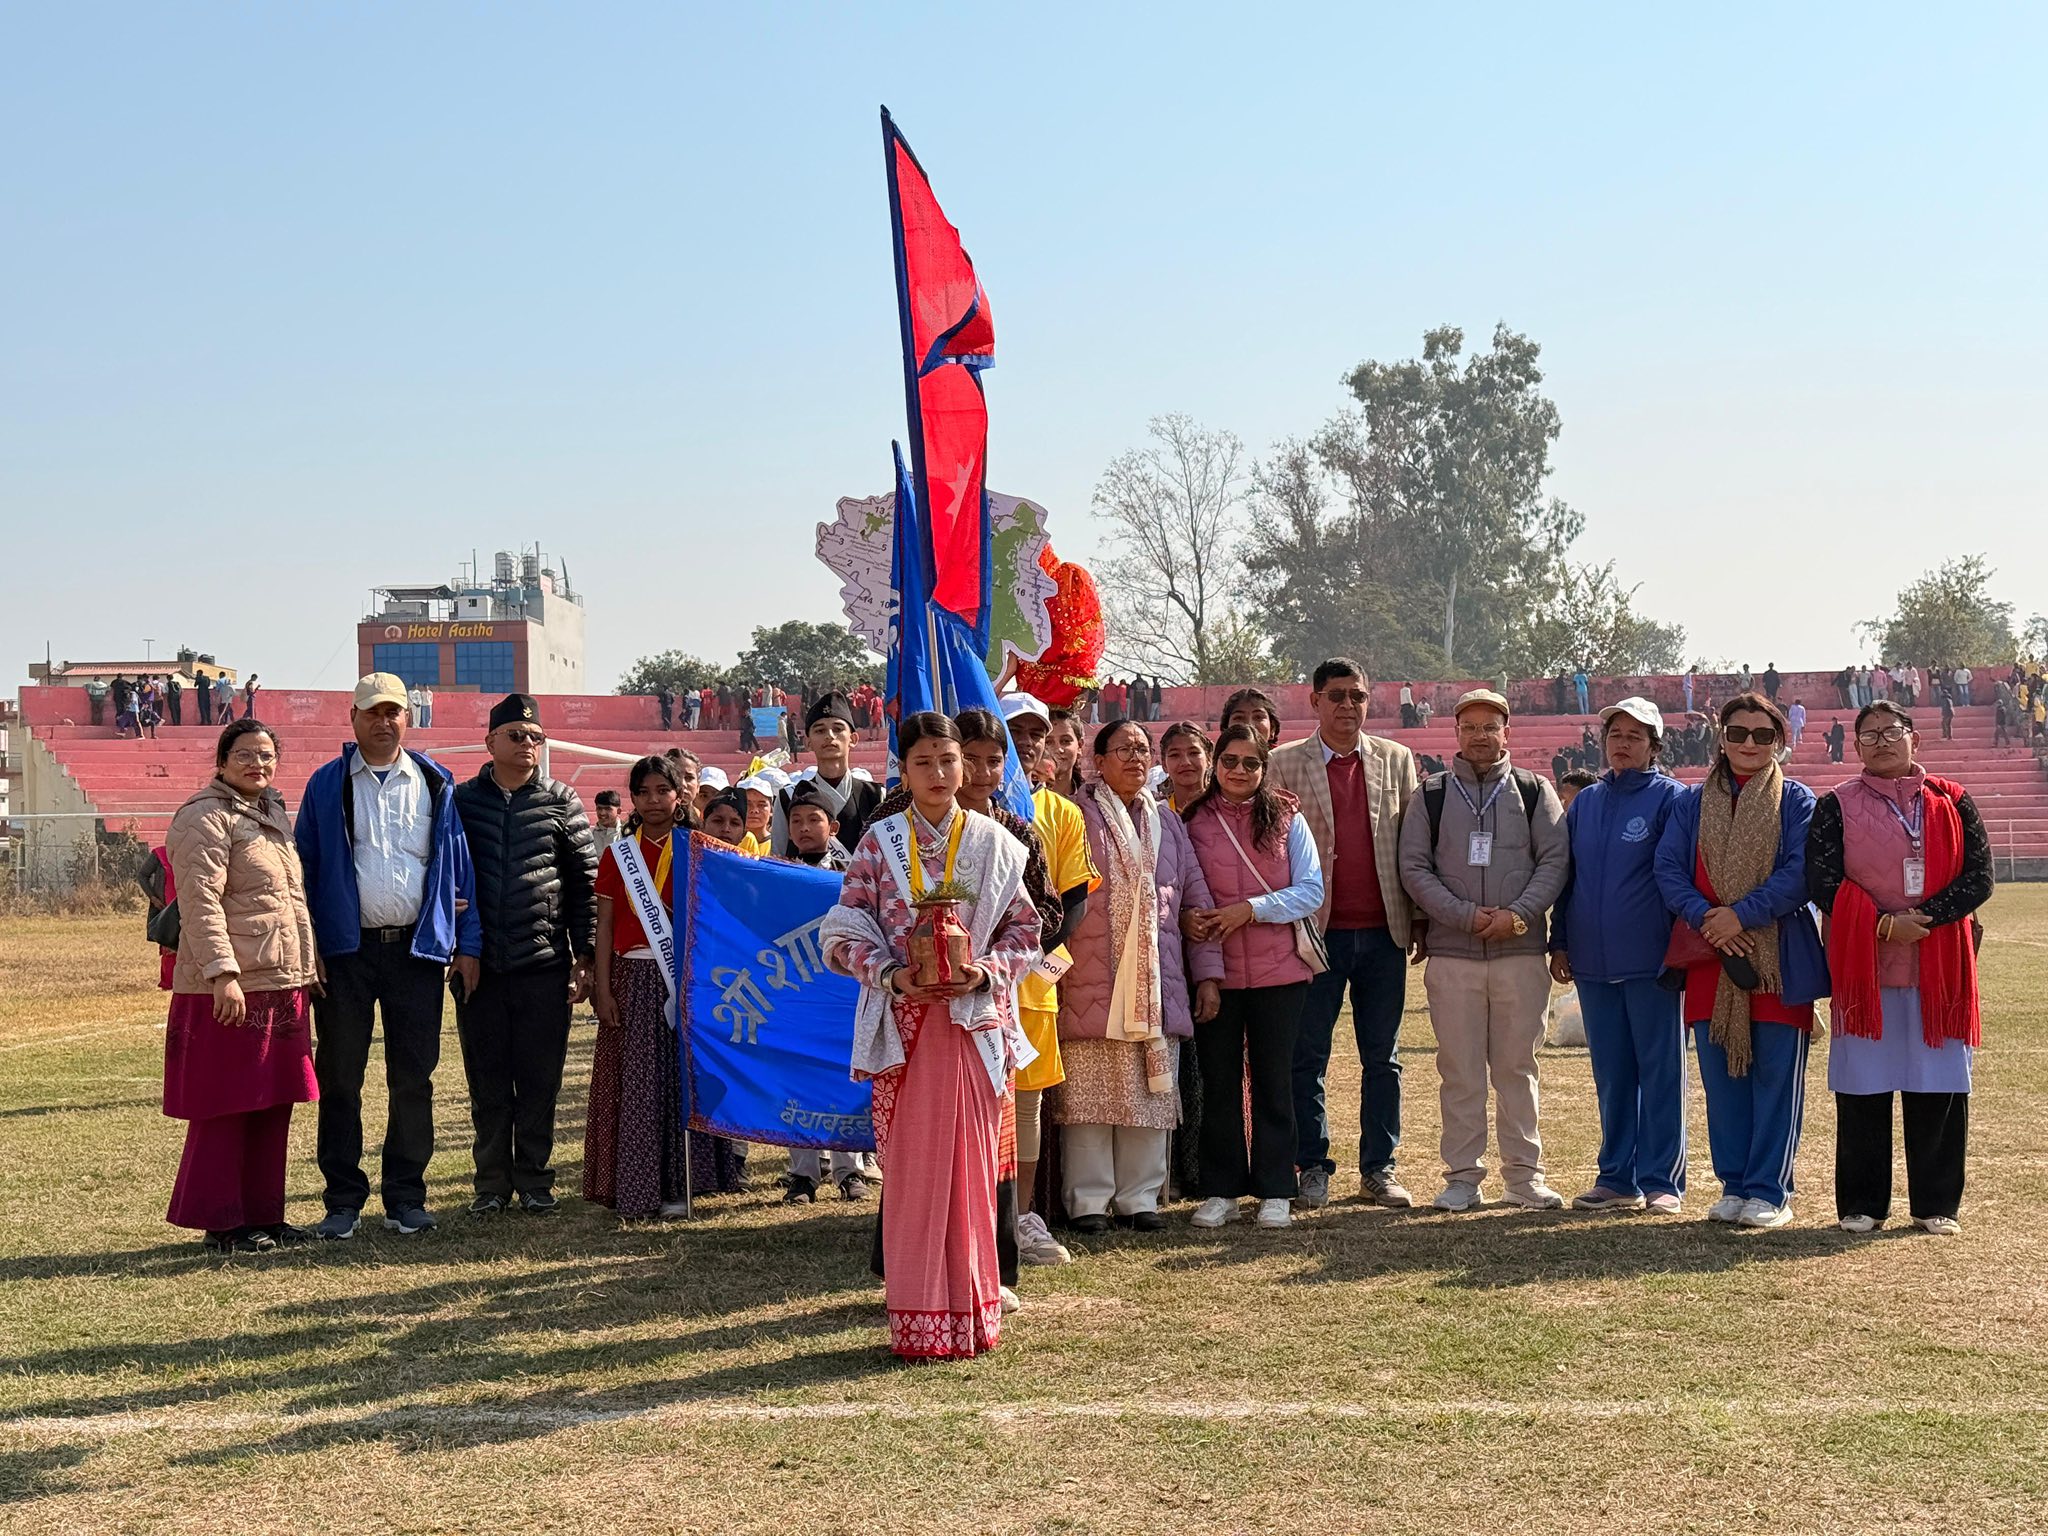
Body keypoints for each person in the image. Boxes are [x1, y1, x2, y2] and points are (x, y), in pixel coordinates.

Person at [821, 712, 1042, 1359]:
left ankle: (972, 1313)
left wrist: (984, 972)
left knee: (973, 1169)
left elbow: (1026, 931)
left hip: (973, 1025)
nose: (940, 773)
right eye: (924, 762)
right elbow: (841, 931)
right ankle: (918, 1318)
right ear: (904, 770)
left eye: (949, 760)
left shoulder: (995, 842)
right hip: (904, 1027)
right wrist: (891, 975)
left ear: (964, 764)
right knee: (913, 1172)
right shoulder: (878, 843)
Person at [294, 673, 480, 1240]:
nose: (383, 721)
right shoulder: (326, 784)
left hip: (415, 954)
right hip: (345, 955)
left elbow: (456, 866)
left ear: (408, 718)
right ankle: (342, 1201)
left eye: (393, 711)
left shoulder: (434, 780)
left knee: (413, 1078)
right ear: (352, 718)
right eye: (372, 712)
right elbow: (303, 870)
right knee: (340, 1077)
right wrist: (310, 947)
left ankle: (406, 1196)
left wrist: (466, 942)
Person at [1806, 701, 1991, 1236]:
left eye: (1892, 731)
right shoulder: (1835, 805)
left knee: (1938, 1084)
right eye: (1869, 735)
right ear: (1855, 747)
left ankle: (1936, 1203)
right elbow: (1822, 880)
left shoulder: (1953, 800)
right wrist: (1885, 925)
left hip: (1939, 967)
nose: (1882, 741)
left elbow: (1979, 876)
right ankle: (1863, 1204)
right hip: (1865, 968)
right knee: (1863, 1087)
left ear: (1915, 739)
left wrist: (1924, 920)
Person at [1655, 693, 1827, 1229]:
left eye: (1762, 734)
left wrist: (1742, 915)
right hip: (1711, 954)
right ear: (1721, 738)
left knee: (1775, 1077)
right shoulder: (1691, 802)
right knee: (1722, 1079)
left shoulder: (1796, 800)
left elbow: (1800, 872)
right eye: (1737, 732)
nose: (1749, 743)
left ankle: (1770, 1190)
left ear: (1779, 741)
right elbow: (1667, 868)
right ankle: (1733, 1185)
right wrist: (1708, 917)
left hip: (1775, 956)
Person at [1398, 689, 1570, 1213]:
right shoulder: (1431, 794)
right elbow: (1414, 868)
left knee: (1518, 1070)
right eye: (1469, 726)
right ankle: (1462, 1178)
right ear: (1455, 732)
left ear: (1506, 732)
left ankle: (1524, 1177)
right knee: (1460, 1072)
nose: (1479, 735)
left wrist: (1517, 915)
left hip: (1519, 951)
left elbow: (1555, 862)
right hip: (1454, 953)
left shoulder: (1534, 791)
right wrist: (1464, 916)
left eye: (1489, 726)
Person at [1054, 719, 1222, 1233]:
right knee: (1089, 1095)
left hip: (1155, 980)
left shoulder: (1166, 822)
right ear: (1097, 761)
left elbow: (1195, 899)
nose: (1134, 757)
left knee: (1149, 1093)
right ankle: (1087, 1201)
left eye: (1142, 749)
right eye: (1123, 749)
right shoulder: (1074, 815)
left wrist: (1208, 975)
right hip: (1089, 978)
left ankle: (1140, 1198)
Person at [1266, 658, 1422, 1210]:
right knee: (1307, 1057)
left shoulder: (1397, 760)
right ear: (1314, 701)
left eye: (1357, 695)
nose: (1347, 705)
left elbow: (1413, 846)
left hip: (1384, 931)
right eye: (1336, 695)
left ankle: (1379, 1168)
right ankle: (1313, 1164)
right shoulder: (1284, 764)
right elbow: (1271, 850)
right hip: (1315, 934)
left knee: (1383, 1058)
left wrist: (1419, 921)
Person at [162, 719, 320, 1252]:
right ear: (223, 761)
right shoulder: (204, 816)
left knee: (273, 1103)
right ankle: (223, 1222)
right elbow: (199, 903)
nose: (258, 764)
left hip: (280, 979)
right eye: (246, 754)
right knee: (228, 1103)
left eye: (267, 755)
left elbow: (288, 902)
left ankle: (265, 1216)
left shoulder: (271, 813)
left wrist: (309, 966)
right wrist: (222, 973)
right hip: (230, 985)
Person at [451, 694, 598, 1217]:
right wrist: (457, 947)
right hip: (479, 967)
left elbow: (584, 885)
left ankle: (535, 1179)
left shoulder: (562, 801)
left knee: (540, 1080)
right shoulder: (462, 801)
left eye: (536, 737)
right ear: (490, 742)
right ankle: (491, 1184)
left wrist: (585, 956)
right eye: (516, 735)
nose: (528, 744)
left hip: (543, 965)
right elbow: (447, 879)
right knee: (487, 1081)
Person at [1549, 696, 1689, 1213]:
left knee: (1660, 1071)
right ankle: (1616, 1178)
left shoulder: (1673, 799)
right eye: (1615, 735)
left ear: (1655, 746)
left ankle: (1661, 1180)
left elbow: (1680, 877)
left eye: (1635, 736)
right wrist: (1560, 940)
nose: (1623, 744)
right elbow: (1568, 878)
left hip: (1652, 961)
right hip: (1592, 960)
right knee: (1611, 1073)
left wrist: (1677, 950)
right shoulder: (1586, 802)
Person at [1181, 724, 1324, 1229]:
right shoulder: (1191, 820)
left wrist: (1252, 909)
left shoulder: (1287, 818)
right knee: (1218, 1081)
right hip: (1214, 973)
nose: (1239, 771)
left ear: (1265, 768)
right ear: (1215, 763)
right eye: (1230, 761)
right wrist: (1187, 919)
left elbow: (1311, 890)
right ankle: (1221, 1190)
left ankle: (1276, 1188)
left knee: (1274, 1081)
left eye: (1250, 763)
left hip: (1279, 972)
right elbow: (1179, 890)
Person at [588, 756, 738, 1216]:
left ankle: (689, 1182)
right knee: (637, 1084)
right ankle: (638, 1185)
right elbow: (606, 925)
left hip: (688, 978)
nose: (653, 801)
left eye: (662, 791)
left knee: (684, 1079)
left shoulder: (700, 848)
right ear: (633, 799)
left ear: (680, 795)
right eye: (643, 792)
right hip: (631, 978)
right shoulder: (618, 854)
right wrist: (602, 989)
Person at [996, 694, 1095, 1263]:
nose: (1029, 741)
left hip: (1033, 982)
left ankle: (1021, 1217)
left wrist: (1038, 954)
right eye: (1017, 730)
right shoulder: (967, 807)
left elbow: (1075, 898)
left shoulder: (1062, 813)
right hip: (972, 983)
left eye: (1037, 732)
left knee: (1027, 1104)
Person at [783, 693, 883, 854]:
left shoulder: (876, 796)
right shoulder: (788, 797)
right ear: (808, 742)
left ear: (853, 739)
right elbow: (777, 859)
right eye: (820, 730)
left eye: (837, 729)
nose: (829, 736)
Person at [786, 782, 852, 869]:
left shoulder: (848, 872)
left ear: (833, 828)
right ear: (789, 831)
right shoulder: (781, 872)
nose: (804, 828)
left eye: (813, 820)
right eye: (796, 821)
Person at [1159, 720, 1212, 811]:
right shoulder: (1157, 814)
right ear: (1164, 764)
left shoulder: (1226, 809)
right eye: (1175, 755)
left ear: (1208, 758)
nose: (1185, 762)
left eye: (1193, 753)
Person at [1218, 687, 1283, 748]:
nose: (1249, 724)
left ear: (1272, 729)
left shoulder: (1283, 756)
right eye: (1239, 718)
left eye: (1258, 717)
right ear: (1226, 728)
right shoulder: (1217, 756)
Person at [1043, 707, 1086, 798]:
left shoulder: (1092, 801)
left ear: (1080, 746)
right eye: (1048, 742)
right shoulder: (1026, 799)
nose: (1058, 749)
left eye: (1065, 741)